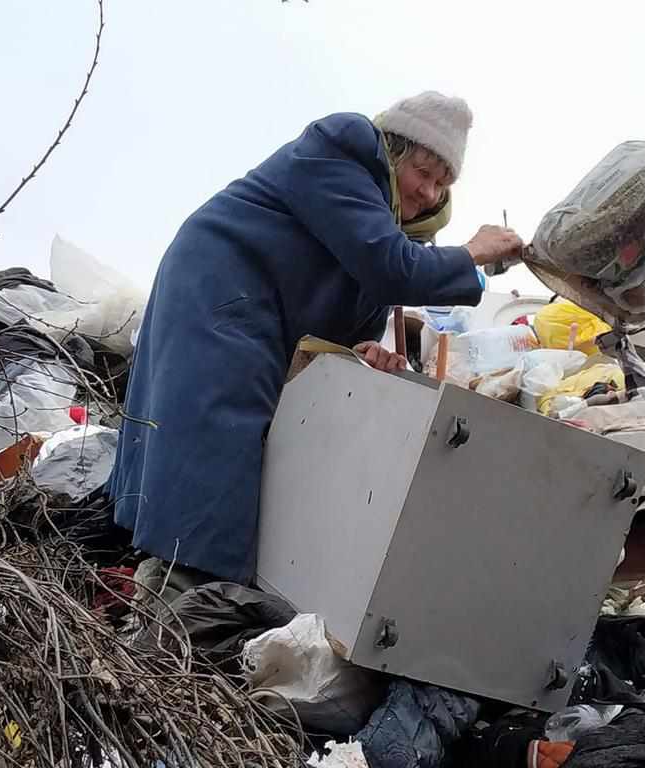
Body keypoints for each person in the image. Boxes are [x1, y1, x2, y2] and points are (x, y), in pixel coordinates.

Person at [109, 91, 523, 591]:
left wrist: (365, 358)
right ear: (392, 151)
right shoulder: (344, 146)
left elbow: (343, 328)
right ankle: (185, 591)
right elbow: (390, 267)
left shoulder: (385, 232)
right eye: (424, 172)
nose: (431, 194)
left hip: (264, 314)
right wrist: (474, 252)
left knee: (243, 445)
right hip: (226, 287)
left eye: (442, 184)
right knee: (218, 431)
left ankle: (192, 587)